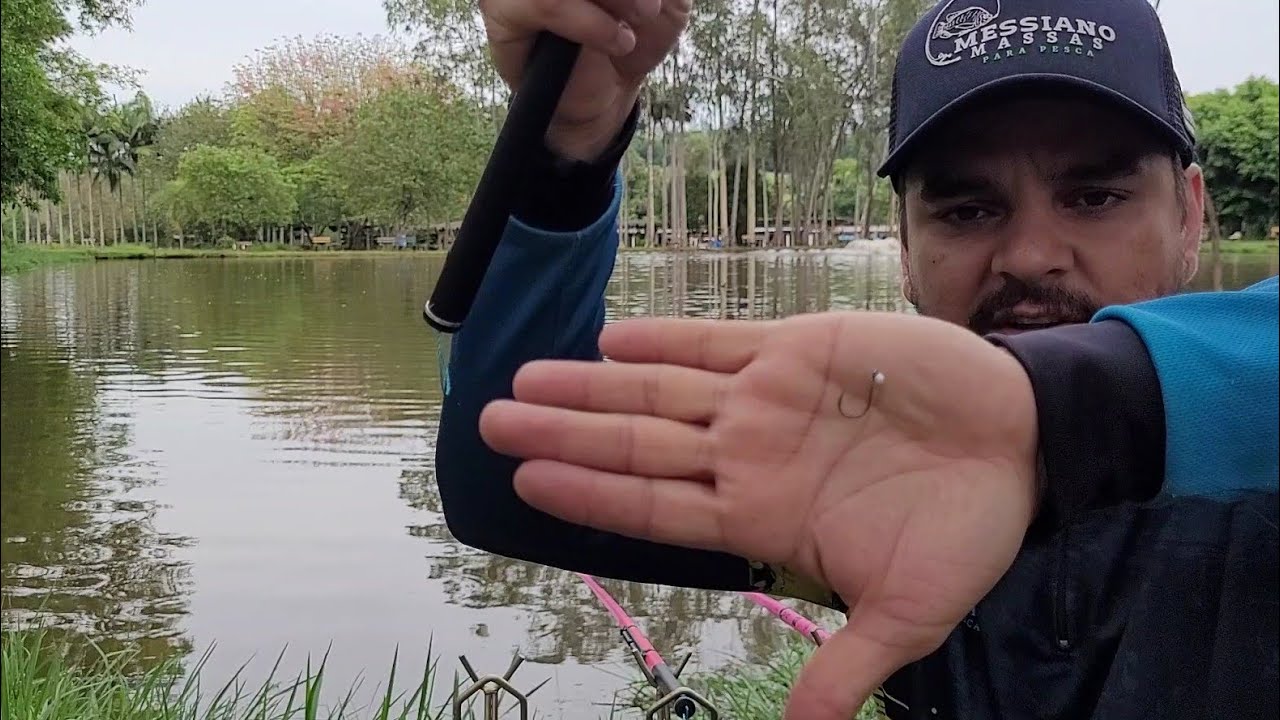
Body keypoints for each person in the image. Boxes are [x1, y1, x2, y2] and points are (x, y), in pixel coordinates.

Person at [433, 0, 1279, 718]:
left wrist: (1067, 409)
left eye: (1094, 197)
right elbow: (510, 484)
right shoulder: (866, 460)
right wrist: (565, 151)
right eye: (968, 209)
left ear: (1190, 217)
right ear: (906, 251)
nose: (1028, 253)